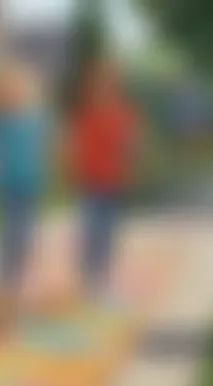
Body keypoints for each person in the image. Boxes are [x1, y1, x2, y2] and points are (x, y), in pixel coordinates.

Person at [67, 60, 139, 298]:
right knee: (91, 227)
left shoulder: (121, 113)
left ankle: (102, 277)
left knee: (107, 229)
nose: (102, 89)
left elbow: (129, 143)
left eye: (107, 85)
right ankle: (88, 277)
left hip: (112, 180)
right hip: (89, 179)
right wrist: (73, 167)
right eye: (98, 85)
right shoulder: (86, 114)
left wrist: (128, 164)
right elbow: (75, 144)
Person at [0, 63, 49, 307]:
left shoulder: (35, 120)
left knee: (24, 233)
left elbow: (42, 147)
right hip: (7, 186)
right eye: (5, 93)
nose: (11, 97)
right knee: (8, 232)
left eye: (15, 92)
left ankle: (18, 275)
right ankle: (6, 277)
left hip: (29, 184)